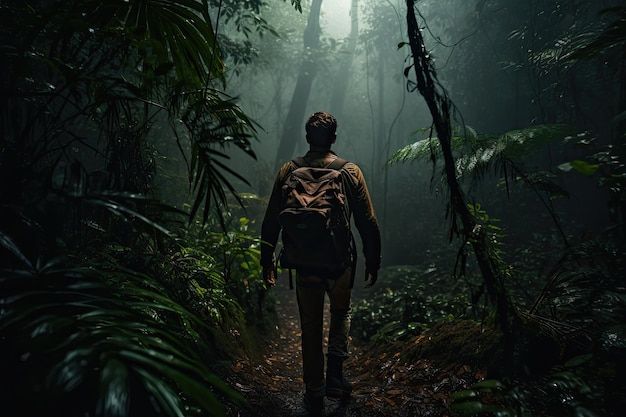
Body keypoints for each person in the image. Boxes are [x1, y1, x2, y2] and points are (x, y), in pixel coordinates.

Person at [260, 111, 381, 416]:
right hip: (340, 262)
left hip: (304, 262)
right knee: (340, 313)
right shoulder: (349, 171)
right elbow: (367, 221)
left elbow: (272, 218)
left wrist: (267, 260)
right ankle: (336, 375)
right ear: (334, 139)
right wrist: (373, 260)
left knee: (310, 325)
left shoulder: (289, 170)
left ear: (307, 138)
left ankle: (314, 389)